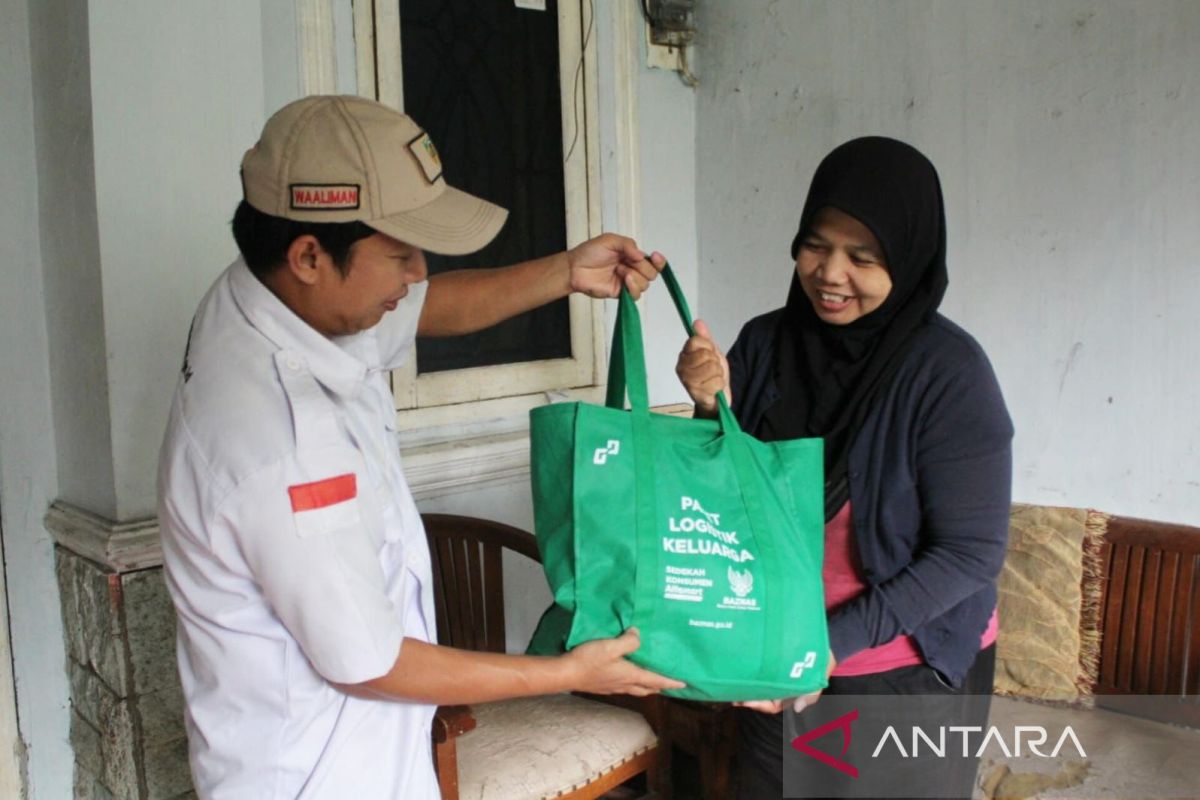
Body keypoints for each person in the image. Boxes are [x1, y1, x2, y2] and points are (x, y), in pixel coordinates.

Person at [157, 94, 682, 799]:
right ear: (308, 255)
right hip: (320, 777)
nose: (417, 273)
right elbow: (370, 663)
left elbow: (427, 307)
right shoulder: (281, 444)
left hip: (366, 753)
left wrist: (564, 272)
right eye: (401, 253)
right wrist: (568, 673)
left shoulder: (273, 294)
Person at [675, 137, 1012, 799]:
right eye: (815, 245)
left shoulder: (949, 374)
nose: (830, 274)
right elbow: (720, 497)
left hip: (903, 670)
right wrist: (709, 407)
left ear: (908, 259)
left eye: (862, 257)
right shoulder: (765, 344)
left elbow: (969, 553)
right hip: (779, 653)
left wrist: (827, 645)